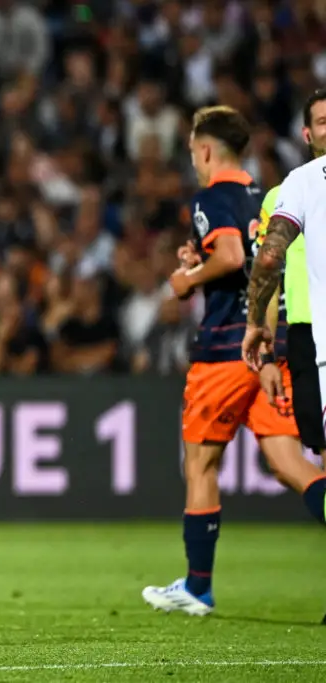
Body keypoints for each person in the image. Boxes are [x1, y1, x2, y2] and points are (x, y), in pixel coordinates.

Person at [141, 106, 315, 616]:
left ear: (205, 150)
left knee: (200, 464)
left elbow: (234, 256)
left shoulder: (212, 196)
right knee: (289, 465)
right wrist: (205, 262)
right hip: (270, 346)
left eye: (193, 152)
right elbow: (257, 260)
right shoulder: (265, 197)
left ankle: (198, 587)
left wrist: (187, 279)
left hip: (223, 349)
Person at [243, 101, 326, 533]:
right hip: (310, 338)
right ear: (306, 134)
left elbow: (268, 261)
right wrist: (268, 353)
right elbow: (271, 274)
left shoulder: (293, 191)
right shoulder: (287, 193)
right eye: (323, 121)